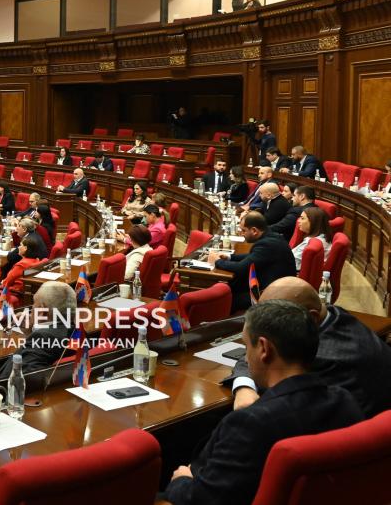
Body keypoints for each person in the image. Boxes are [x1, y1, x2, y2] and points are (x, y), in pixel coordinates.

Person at [164, 300, 363, 505]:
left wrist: (182, 480)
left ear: (264, 348)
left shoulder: (249, 423)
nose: (246, 358)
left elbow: (203, 501)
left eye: (246, 346)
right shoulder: (343, 400)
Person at [226, 277, 391, 417]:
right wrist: (243, 385)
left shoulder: (321, 356)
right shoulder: (333, 314)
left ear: (311, 317)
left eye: (272, 320)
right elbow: (255, 349)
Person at [214, 212, 296, 312]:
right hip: (270, 286)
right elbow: (253, 257)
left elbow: (240, 268)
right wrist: (229, 257)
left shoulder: (267, 244)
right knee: (232, 285)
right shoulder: (271, 236)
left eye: (244, 231)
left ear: (254, 230)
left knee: (225, 298)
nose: (242, 234)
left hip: (272, 296)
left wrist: (217, 261)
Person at [0, 282, 77, 378]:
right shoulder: (75, 331)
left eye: (34, 303)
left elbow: (25, 377)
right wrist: (30, 333)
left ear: (41, 311)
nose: (31, 309)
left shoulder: (42, 338)